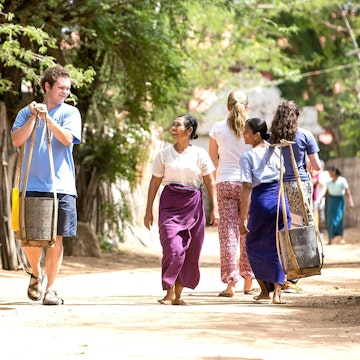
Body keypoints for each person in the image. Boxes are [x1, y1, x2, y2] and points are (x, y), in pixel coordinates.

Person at [11, 65, 82, 305]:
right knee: (29, 237)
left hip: (61, 185)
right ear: (47, 87)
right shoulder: (25, 112)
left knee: (56, 237)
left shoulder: (71, 113)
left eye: (68, 88)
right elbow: (17, 140)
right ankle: (35, 273)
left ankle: (51, 289)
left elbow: (67, 139)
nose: (65, 92)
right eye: (61, 88)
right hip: (29, 183)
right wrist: (33, 115)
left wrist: (47, 118)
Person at [144, 114, 219, 306]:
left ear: (189, 130)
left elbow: (210, 181)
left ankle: (178, 295)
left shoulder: (200, 154)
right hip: (169, 203)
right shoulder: (164, 154)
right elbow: (155, 182)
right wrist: (148, 210)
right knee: (173, 247)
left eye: (178, 125)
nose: (174, 128)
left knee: (191, 250)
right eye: (173, 124)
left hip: (193, 204)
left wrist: (215, 209)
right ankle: (168, 291)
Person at [270, 100, 321, 292]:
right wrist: (308, 164)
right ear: (296, 117)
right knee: (301, 226)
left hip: (278, 186)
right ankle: (296, 273)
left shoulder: (271, 137)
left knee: (281, 226)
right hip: (300, 186)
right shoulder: (306, 135)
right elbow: (317, 166)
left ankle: (279, 272)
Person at [208, 90, 255, 297]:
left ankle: (230, 284)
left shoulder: (217, 128)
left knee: (228, 234)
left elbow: (212, 162)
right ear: (247, 106)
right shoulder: (253, 129)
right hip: (248, 185)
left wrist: (218, 182)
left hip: (225, 182)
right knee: (247, 230)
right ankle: (248, 279)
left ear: (227, 106)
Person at [239, 117, 290, 304]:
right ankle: (277, 291)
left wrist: (243, 218)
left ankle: (263, 290)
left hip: (261, 201)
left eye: (246, 131)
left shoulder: (247, 156)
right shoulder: (277, 150)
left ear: (256, 135)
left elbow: (246, 187)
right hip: (280, 200)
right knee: (279, 245)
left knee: (252, 245)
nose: (243, 135)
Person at [325, 166, 355, 245]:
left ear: (334, 172)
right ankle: (330, 239)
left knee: (339, 218)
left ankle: (342, 237)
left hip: (339, 201)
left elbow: (347, 192)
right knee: (330, 219)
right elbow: (327, 193)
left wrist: (351, 202)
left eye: (330, 171)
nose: (329, 173)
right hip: (331, 201)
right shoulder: (328, 181)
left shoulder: (342, 180)